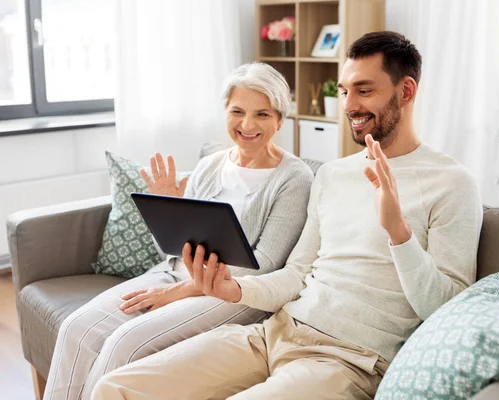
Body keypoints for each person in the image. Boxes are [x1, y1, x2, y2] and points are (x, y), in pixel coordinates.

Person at [91, 31, 483, 400]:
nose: (348, 106)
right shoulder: (332, 174)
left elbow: (445, 309)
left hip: (350, 359)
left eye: (364, 90)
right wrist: (233, 289)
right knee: (116, 389)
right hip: (275, 332)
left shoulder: (451, 183)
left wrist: (398, 233)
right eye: (345, 91)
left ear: (407, 90)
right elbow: (297, 275)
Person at [43, 62, 314, 400]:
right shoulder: (210, 165)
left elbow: (264, 264)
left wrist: (176, 293)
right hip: (174, 276)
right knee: (76, 329)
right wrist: (170, 211)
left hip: (236, 294)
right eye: (237, 111)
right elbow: (173, 251)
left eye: (262, 114)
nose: (247, 124)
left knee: (124, 344)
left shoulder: (294, 177)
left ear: (279, 118)